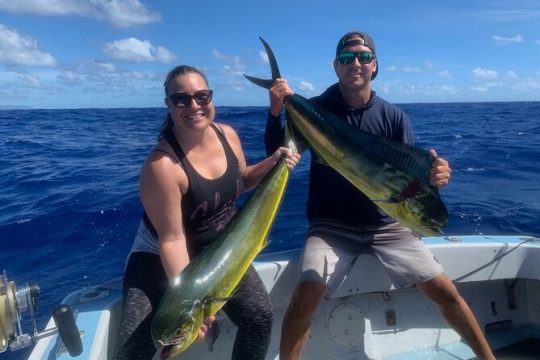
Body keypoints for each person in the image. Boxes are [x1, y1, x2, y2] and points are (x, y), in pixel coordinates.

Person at [265, 31, 495, 359]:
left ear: (374, 65)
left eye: (362, 57)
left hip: (388, 225)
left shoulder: (394, 117)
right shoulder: (315, 110)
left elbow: (412, 175)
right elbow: (278, 155)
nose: (354, 64)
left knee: (446, 292)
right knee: (306, 294)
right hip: (332, 227)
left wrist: (437, 174)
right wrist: (276, 112)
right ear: (335, 67)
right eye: (346, 59)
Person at [114, 64, 300, 360]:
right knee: (130, 352)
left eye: (202, 96)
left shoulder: (227, 135)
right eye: (181, 99)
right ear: (169, 105)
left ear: (211, 98)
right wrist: (191, 303)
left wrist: (274, 161)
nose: (194, 105)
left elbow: (242, 182)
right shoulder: (161, 166)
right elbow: (172, 241)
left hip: (219, 248)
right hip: (159, 256)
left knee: (259, 316)